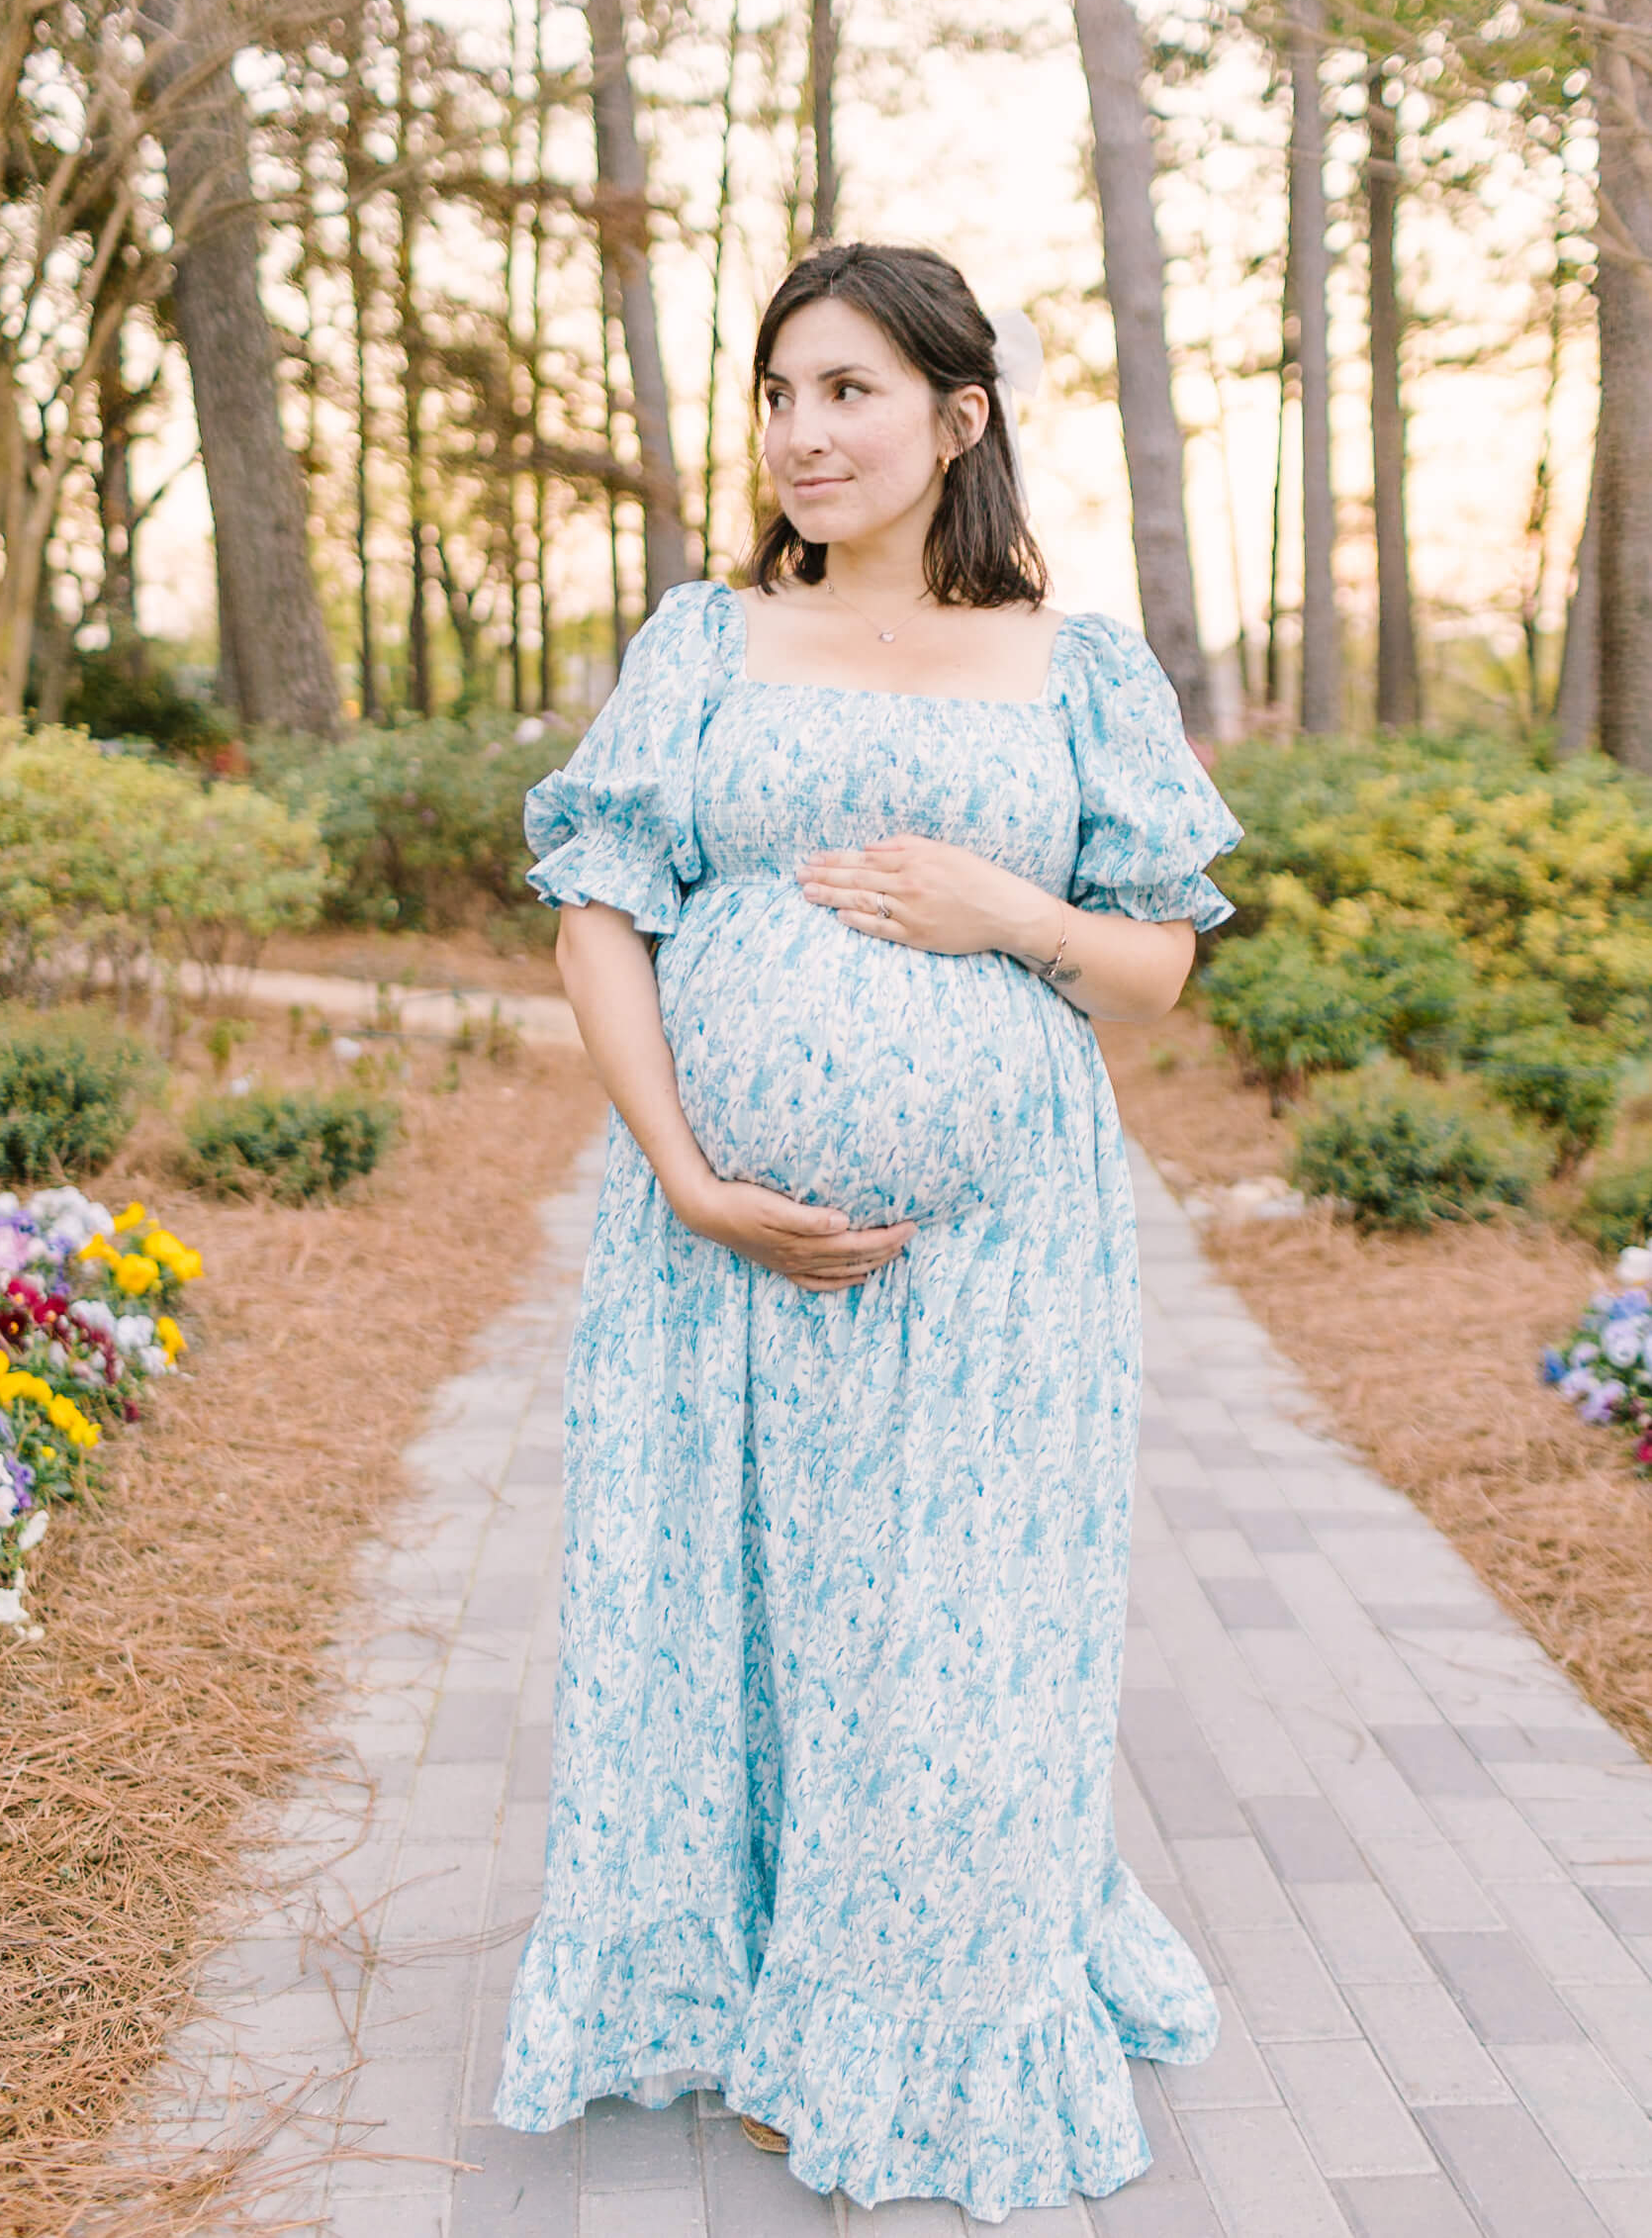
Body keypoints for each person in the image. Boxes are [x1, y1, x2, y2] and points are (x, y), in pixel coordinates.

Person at [494, 240, 1240, 2222]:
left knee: (953, 1633)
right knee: (738, 1621)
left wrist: (1007, 911)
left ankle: (920, 2007)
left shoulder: (1075, 667)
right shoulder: (703, 640)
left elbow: (1154, 962)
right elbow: (598, 907)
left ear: (955, 417)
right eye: (777, 395)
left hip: (997, 1270)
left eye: (848, 392)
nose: (803, 434)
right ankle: (757, 1990)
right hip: (709, 1247)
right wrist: (683, 1169)